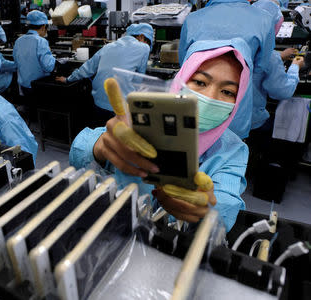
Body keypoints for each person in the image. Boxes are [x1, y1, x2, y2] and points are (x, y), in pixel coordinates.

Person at [70, 38, 252, 231]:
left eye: (227, 91)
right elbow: (80, 154)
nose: (210, 98)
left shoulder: (233, 150)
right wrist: (101, 147)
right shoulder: (149, 118)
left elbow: (225, 208)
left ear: (238, 99)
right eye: (199, 82)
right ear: (181, 80)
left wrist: (205, 211)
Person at [179, 0, 276, 139]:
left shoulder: (193, 19)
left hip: (196, 102)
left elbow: (185, 64)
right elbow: (261, 65)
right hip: (233, 102)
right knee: (230, 147)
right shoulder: (264, 19)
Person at [56, 23, 153, 123]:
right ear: (141, 36)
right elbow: (138, 80)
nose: (148, 47)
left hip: (99, 103)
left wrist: (68, 79)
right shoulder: (144, 48)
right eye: (148, 42)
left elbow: (87, 68)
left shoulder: (108, 46)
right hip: (119, 107)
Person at [250, 0, 305, 130]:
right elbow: (283, 92)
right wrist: (295, 66)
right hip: (252, 121)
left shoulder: (239, 43)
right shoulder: (271, 57)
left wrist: (279, 56)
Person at [13, 10, 55, 94]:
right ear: (43, 26)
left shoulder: (18, 40)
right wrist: (52, 57)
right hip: (38, 87)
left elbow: (16, 62)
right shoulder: (41, 41)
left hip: (24, 86)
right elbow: (49, 67)